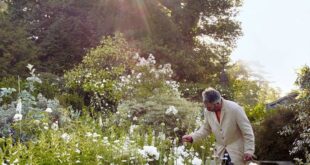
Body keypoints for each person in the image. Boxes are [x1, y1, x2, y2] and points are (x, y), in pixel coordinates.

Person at [182, 88, 255, 165]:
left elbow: (247, 132)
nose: (207, 109)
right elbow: (205, 129)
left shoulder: (235, 109)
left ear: (217, 103)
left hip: (237, 151)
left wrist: (249, 150)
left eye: (209, 107)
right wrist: (192, 137)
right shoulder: (207, 111)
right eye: (206, 106)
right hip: (220, 152)